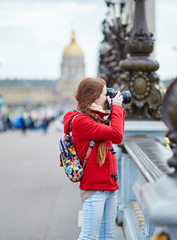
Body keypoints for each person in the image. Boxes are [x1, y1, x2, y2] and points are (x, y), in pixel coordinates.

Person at [63, 77, 125, 240]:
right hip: (94, 189)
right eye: (105, 94)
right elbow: (116, 135)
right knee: (89, 236)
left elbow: (115, 132)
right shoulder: (82, 121)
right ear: (94, 96)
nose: (108, 97)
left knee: (107, 236)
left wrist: (114, 109)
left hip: (109, 186)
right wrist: (117, 108)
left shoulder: (97, 118)